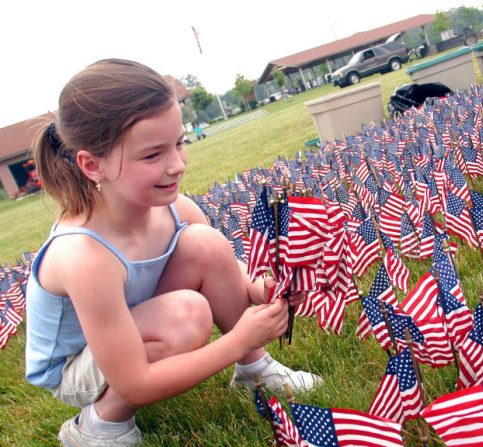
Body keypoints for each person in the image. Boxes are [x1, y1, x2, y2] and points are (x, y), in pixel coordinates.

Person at [26, 59, 320, 446]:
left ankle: (255, 369)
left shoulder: (173, 208)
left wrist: (262, 291)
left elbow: (229, 274)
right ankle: (100, 424)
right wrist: (237, 341)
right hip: (76, 365)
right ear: (92, 164)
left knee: (206, 242)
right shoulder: (83, 255)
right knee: (188, 315)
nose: (177, 165)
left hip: (136, 322)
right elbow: (136, 382)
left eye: (179, 143)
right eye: (152, 156)